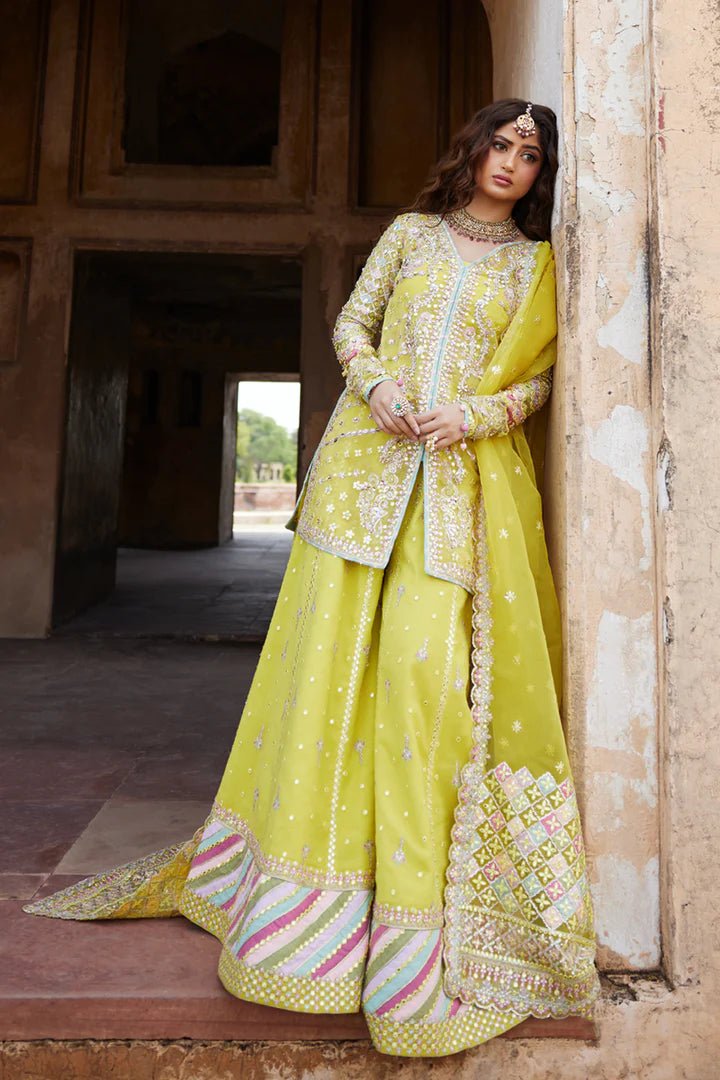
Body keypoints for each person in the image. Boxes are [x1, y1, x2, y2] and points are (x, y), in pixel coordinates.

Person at [24, 99, 601, 1058]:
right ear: (471, 152)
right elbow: (350, 324)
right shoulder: (412, 237)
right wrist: (379, 390)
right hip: (365, 488)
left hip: (460, 500)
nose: (511, 163)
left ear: (542, 175)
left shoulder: (535, 268)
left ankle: (415, 926)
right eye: (500, 144)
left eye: (531, 154)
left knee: (421, 689)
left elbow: (541, 382)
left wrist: (478, 415)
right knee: (328, 680)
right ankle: (315, 908)